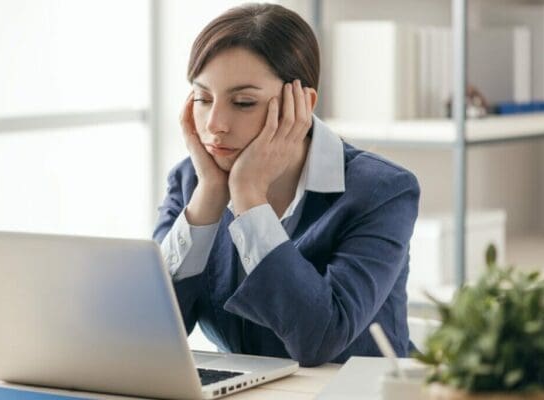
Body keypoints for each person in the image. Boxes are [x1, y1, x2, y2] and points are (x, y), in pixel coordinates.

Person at [153, 3, 420, 367]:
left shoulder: (383, 193)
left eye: (243, 102)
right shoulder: (191, 182)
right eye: (202, 98)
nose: (215, 123)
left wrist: (248, 197)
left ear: (302, 104)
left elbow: (321, 338)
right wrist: (208, 200)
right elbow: (151, 332)